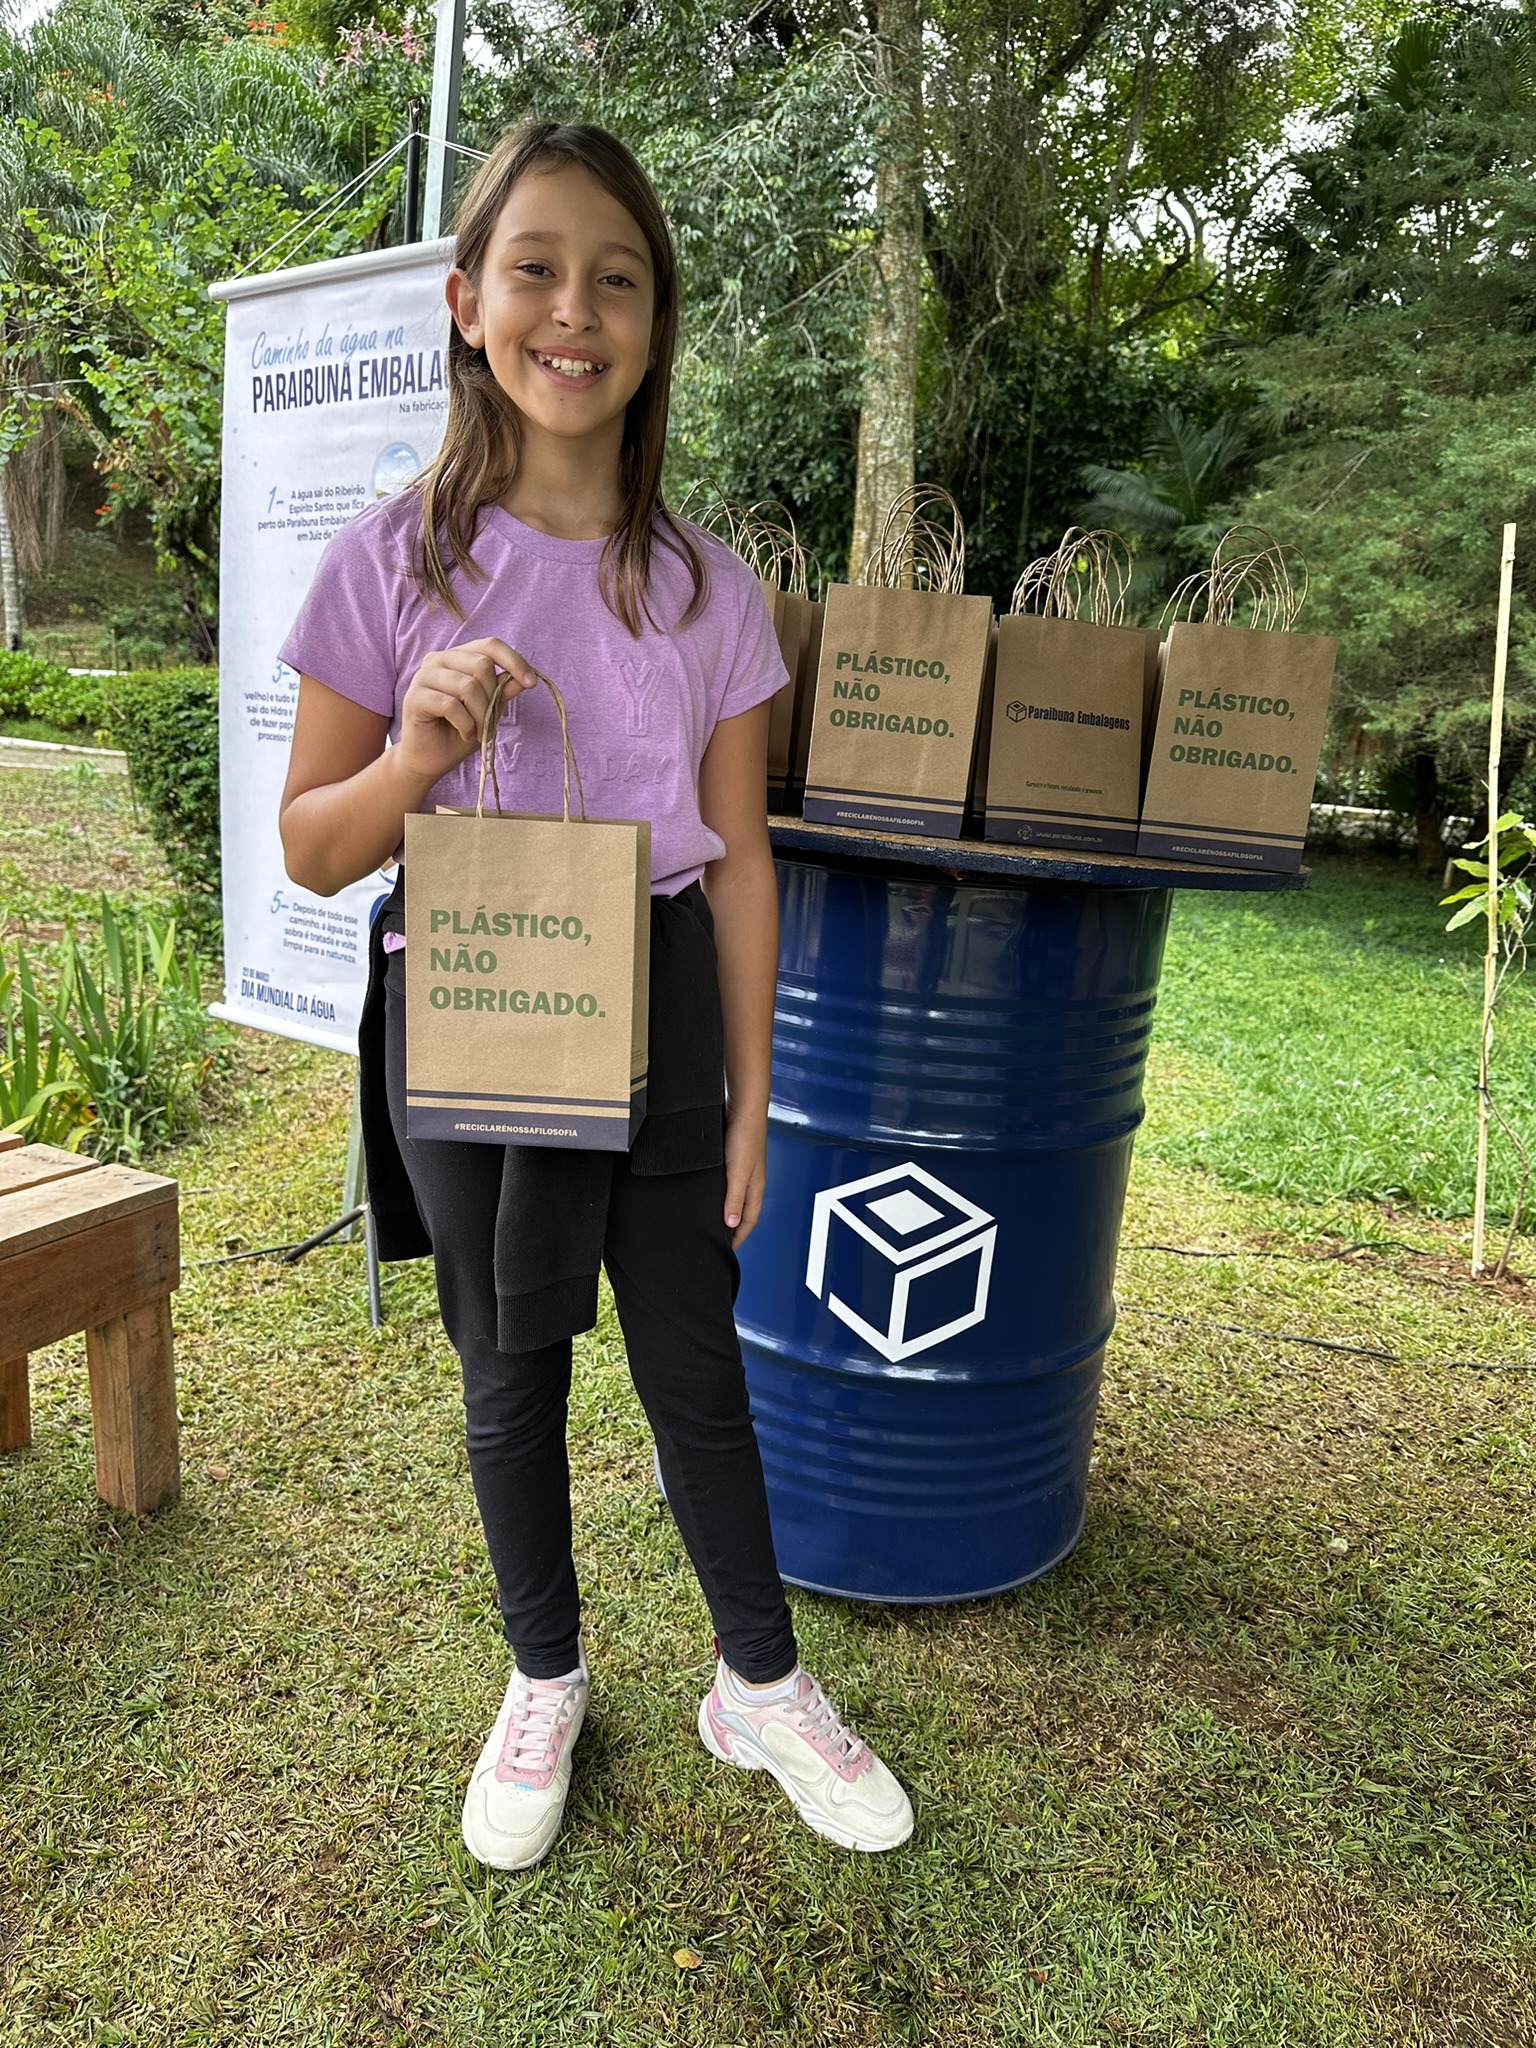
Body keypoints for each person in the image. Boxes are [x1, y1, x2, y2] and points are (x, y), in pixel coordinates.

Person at [277, 120, 913, 1869]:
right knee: (510, 1366)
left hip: (661, 1005)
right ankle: (544, 1675)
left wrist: (756, 1095)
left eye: (616, 278)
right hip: (474, 994)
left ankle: (757, 1685)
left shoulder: (713, 590)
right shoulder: (390, 564)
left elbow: (742, 853)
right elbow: (316, 850)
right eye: (538, 271)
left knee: (696, 1363)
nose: (576, 310)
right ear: (470, 306)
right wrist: (414, 747)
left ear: (656, 325)